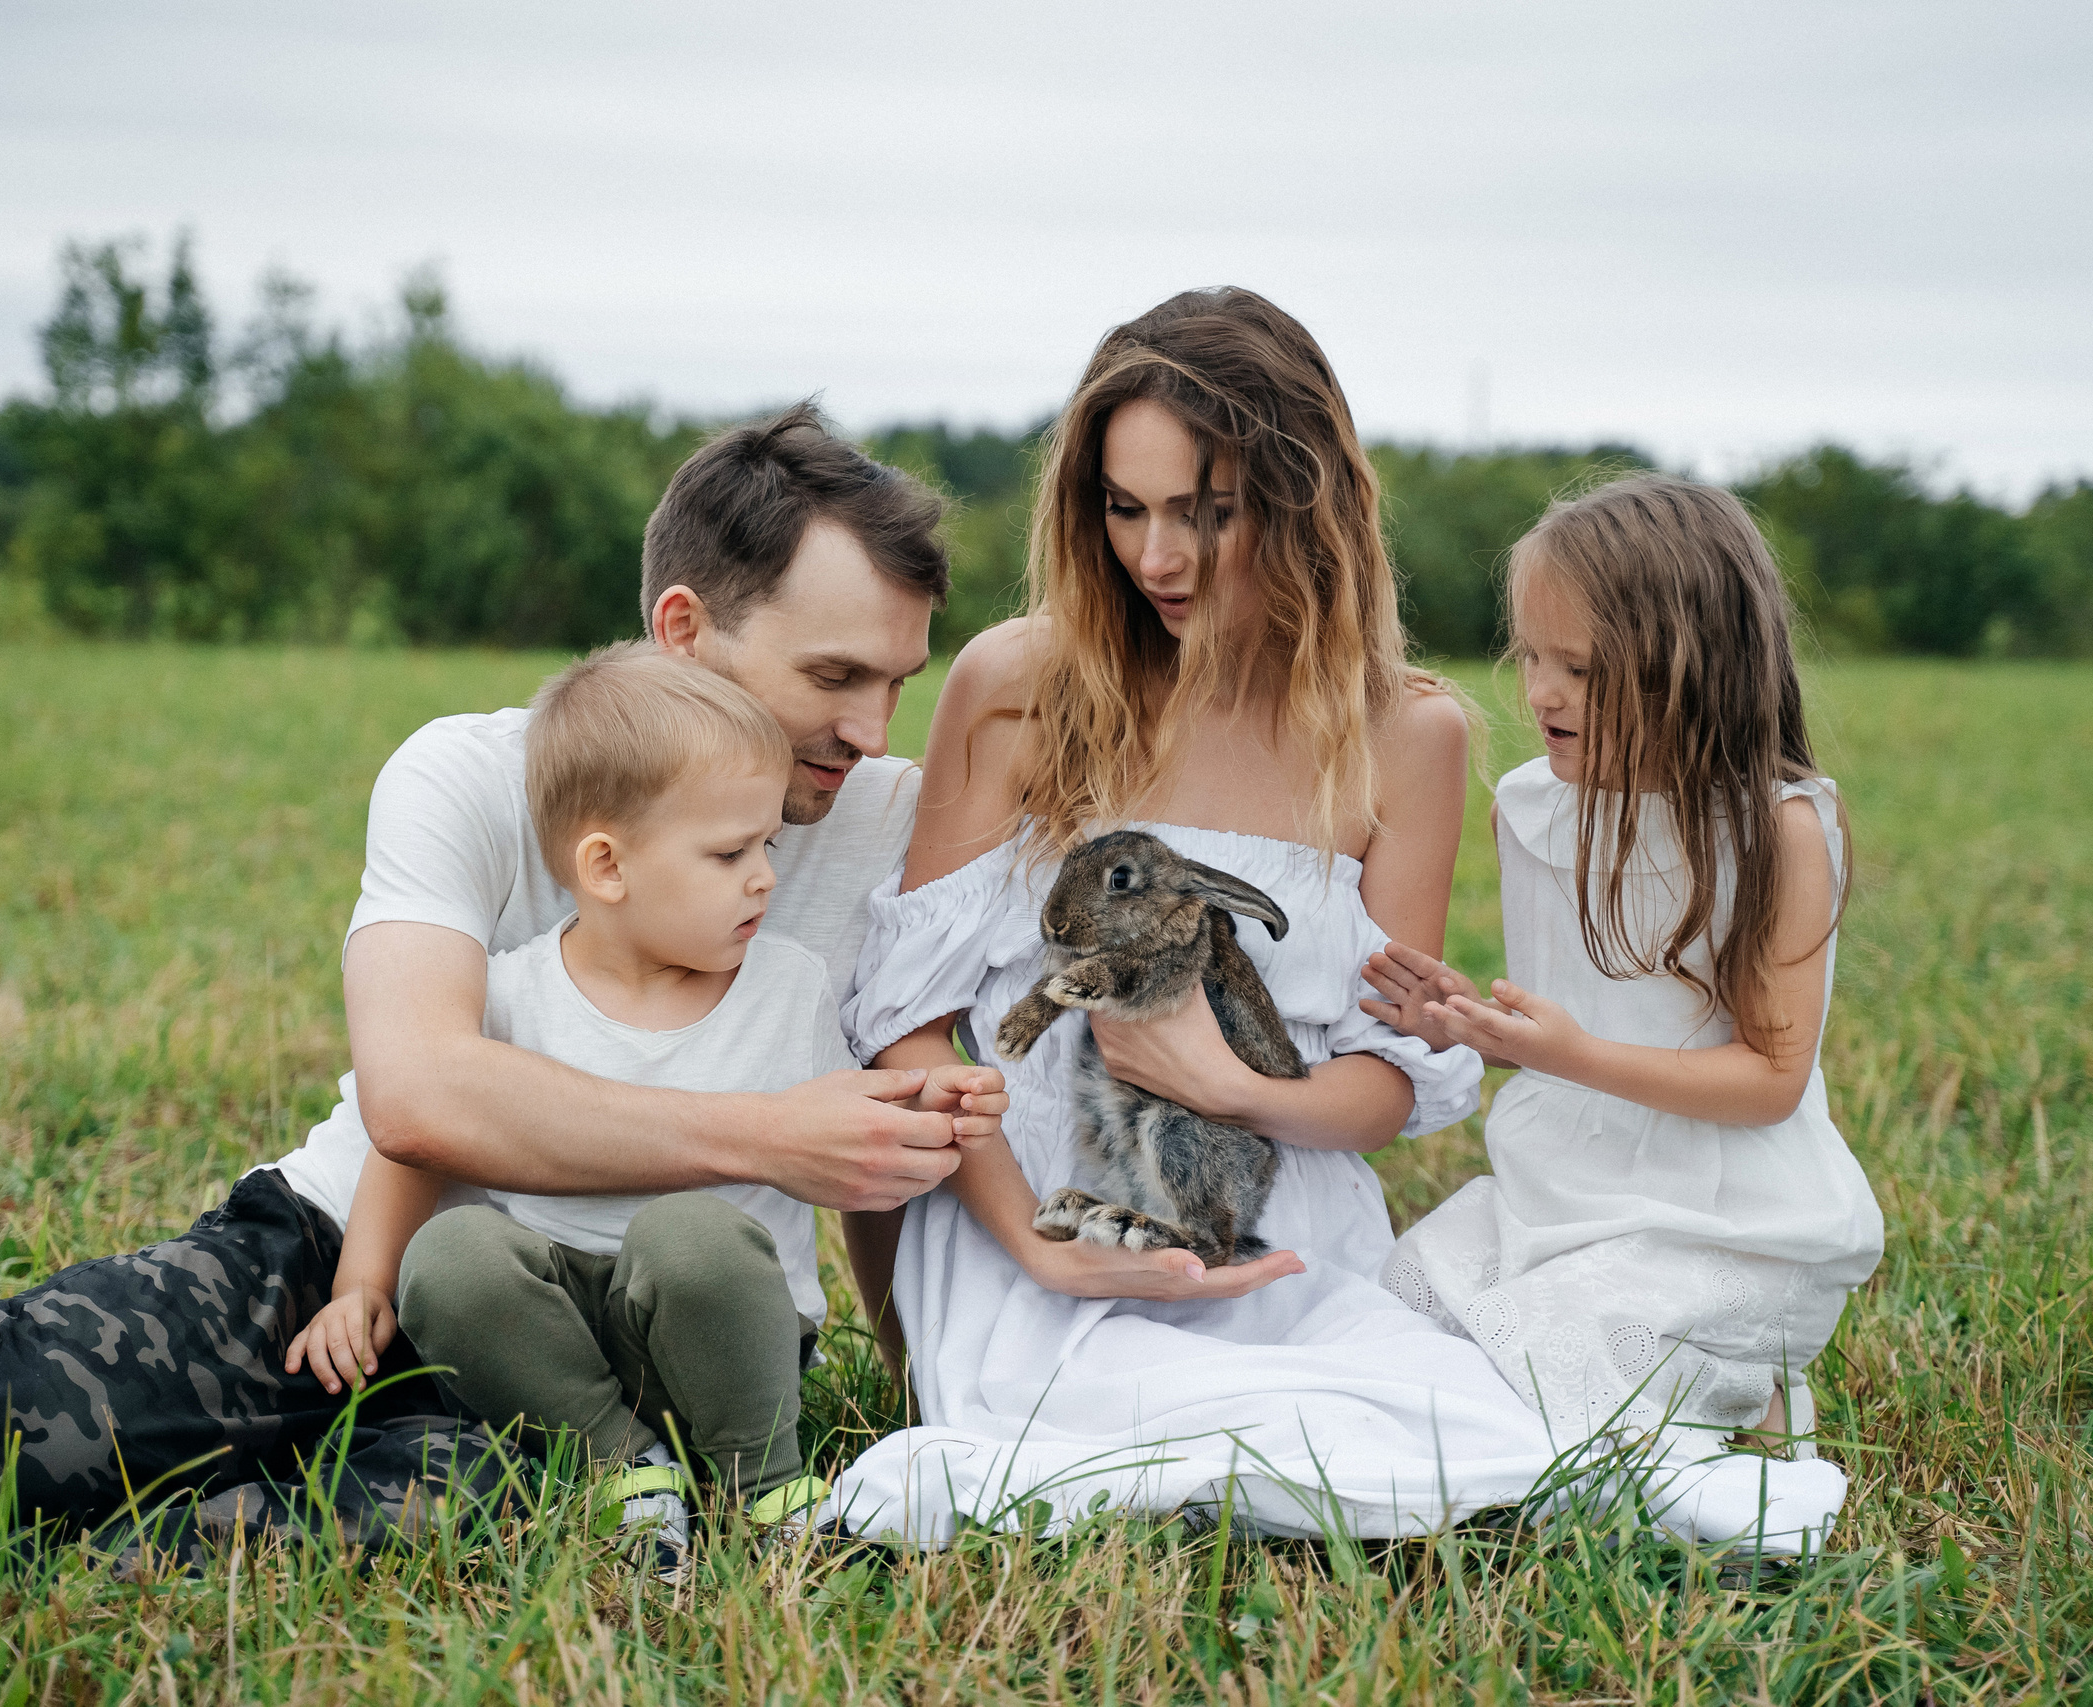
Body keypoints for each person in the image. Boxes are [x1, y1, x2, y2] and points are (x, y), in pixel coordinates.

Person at [825, 289, 1835, 1554]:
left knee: (1429, 1433)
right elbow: (904, 1032)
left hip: (1278, 1214)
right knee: (1096, 1441)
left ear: (1307, 501)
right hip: (1034, 1205)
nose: (1158, 560)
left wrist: (1230, 1088)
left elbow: (1382, 1083)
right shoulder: (1018, 687)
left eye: (1209, 513)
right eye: (1124, 510)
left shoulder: (1404, 736)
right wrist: (1036, 1244)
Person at [0, 405, 1005, 1544]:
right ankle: (299, 1469)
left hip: (645, 1330)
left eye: (898, 681)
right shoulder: (469, 775)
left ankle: (228, 1517)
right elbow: (420, 1094)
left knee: (484, 1495)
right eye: (833, 674)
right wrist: (770, 1136)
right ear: (682, 629)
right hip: (369, 1251)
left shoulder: (894, 824)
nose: (872, 730)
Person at [282, 647, 996, 1575]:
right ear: (608, 866)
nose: (765, 878)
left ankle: (766, 1485)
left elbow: (853, 1112)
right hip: (556, 1340)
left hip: (723, 1326)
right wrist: (362, 1284)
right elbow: (412, 1145)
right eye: (730, 853)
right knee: (451, 1258)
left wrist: (926, 1099)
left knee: (693, 1233)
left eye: (768, 847)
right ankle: (620, 1470)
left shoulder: (789, 988)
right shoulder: (510, 994)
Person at [1365, 472, 1884, 1471]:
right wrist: (1477, 1025)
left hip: (1724, 1218)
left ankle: (1750, 1388)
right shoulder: (1531, 807)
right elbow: (1575, 1022)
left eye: (1583, 669)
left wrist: (1570, 1052)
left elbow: (1769, 1082)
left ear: (1694, 669)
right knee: (1402, 1308)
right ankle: (1696, 1383)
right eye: (1529, 656)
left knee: (1554, 1369)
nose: (1540, 693)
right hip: (1565, 1190)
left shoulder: (1773, 833)